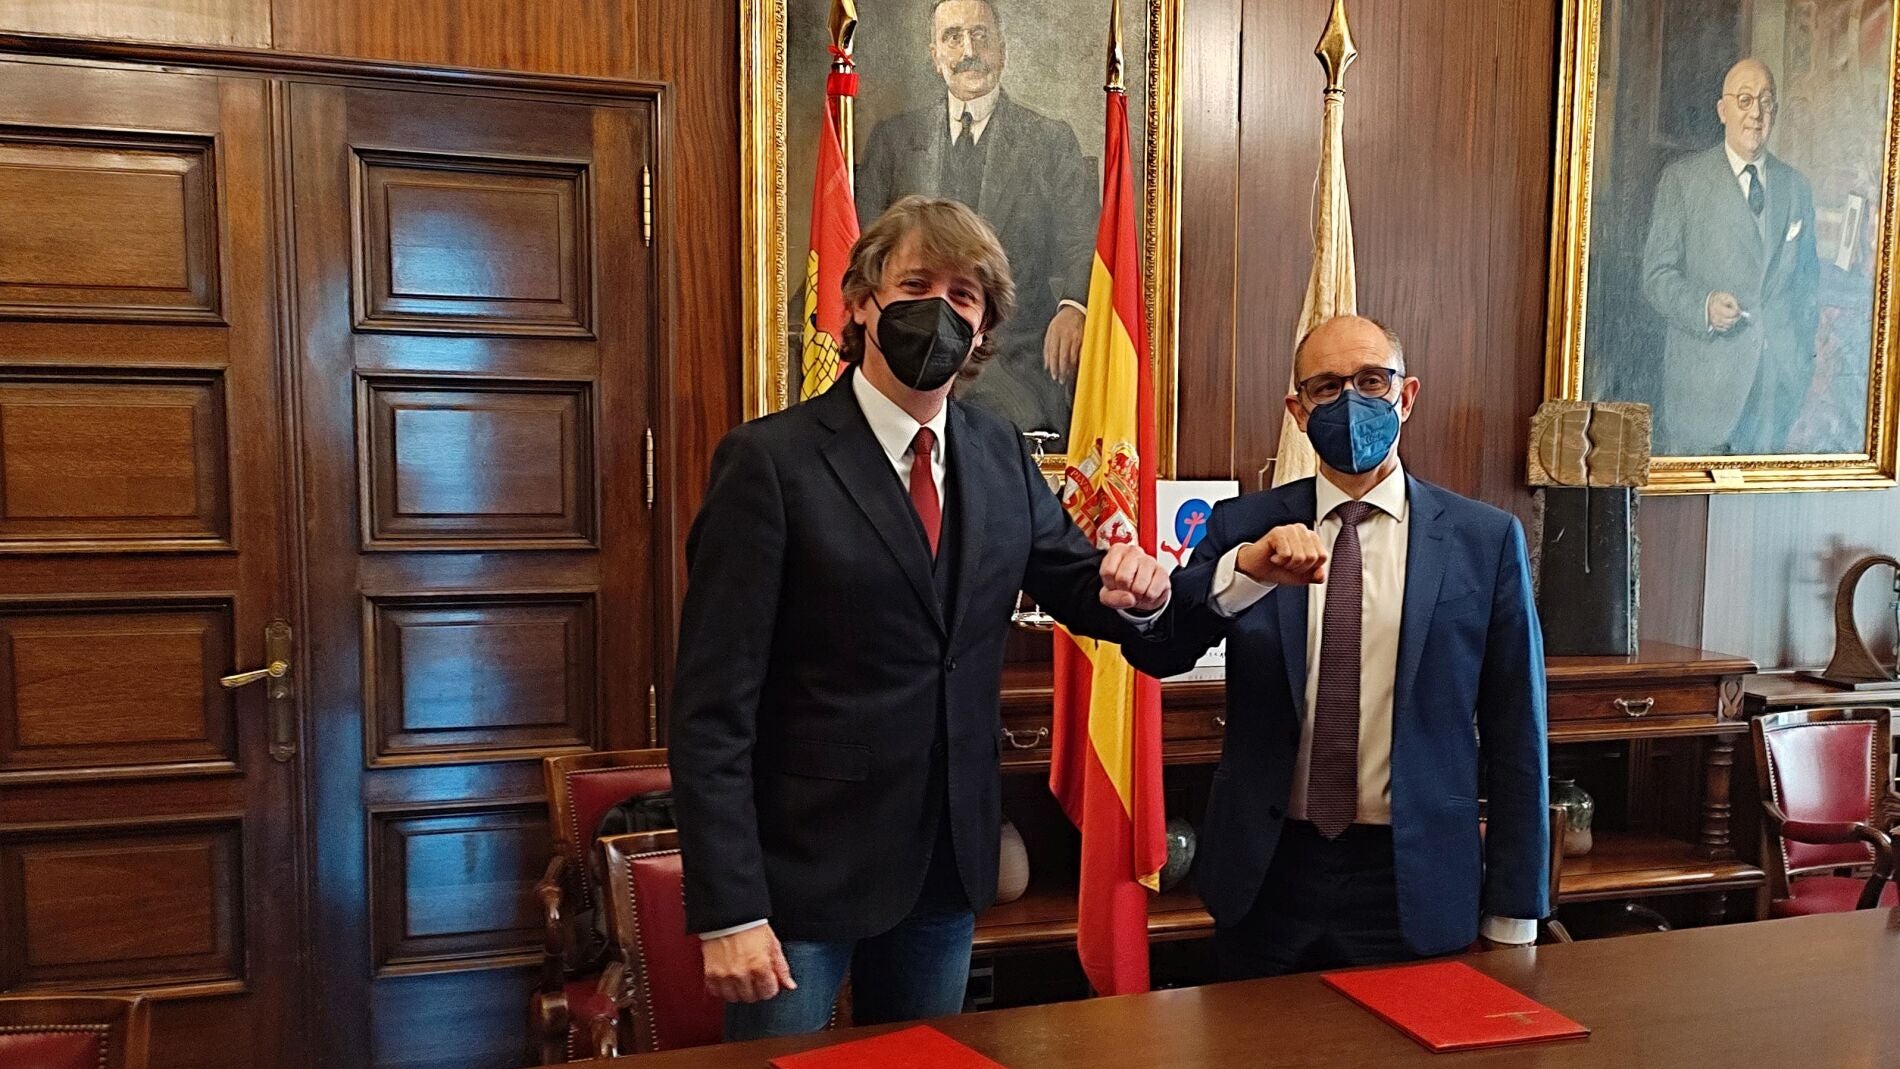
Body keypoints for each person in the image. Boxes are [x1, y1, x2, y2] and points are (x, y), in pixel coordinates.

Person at [670, 196, 1175, 1039]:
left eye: (963, 295)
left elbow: (1089, 589)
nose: (939, 310)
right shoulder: (769, 462)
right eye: (915, 286)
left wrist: (1153, 590)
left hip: (946, 865)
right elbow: (711, 710)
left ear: (983, 329)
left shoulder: (998, 452)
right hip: (801, 879)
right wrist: (730, 909)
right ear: (862, 302)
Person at [1122, 315, 1550, 979]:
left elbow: (1517, 730)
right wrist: (1245, 573)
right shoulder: (1245, 527)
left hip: (1412, 877)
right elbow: (1160, 650)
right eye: (1326, 387)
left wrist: (1515, 910)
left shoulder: (1484, 540)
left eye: (1371, 381)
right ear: (1298, 412)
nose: (1350, 401)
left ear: (1406, 396)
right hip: (1268, 875)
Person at [855, 0, 1098, 449]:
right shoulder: (893, 141)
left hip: (1018, 355)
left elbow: (1083, 243)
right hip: (909, 353)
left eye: (980, 36)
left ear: (1002, 49)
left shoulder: (1049, 141)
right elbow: (864, 252)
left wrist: (1074, 307)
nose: (968, 51)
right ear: (934, 55)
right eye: (953, 37)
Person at [1641, 57, 1819, 455]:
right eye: (1744, 100)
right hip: (1705, 393)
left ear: (1775, 112)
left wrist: (1798, 364)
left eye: (1766, 102)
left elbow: (1808, 286)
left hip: (1775, 394)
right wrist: (1703, 307)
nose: (1756, 113)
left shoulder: (1796, 187)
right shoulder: (1683, 181)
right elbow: (1656, 275)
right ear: (1723, 110)